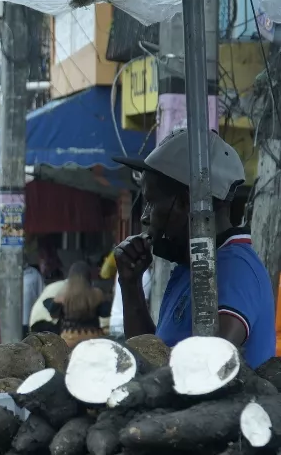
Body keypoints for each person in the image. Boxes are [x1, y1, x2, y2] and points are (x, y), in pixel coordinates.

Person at [114, 129, 275, 367]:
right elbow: (150, 360)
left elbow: (207, 369)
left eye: (151, 203)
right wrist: (130, 285)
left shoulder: (235, 269)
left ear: (184, 202)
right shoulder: (190, 267)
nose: (146, 217)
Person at [46, 262, 111, 346]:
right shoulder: (97, 294)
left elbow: (53, 314)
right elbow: (105, 313)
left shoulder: (62, 294)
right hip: (93, 339)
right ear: (88, 276)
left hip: (68, 339)